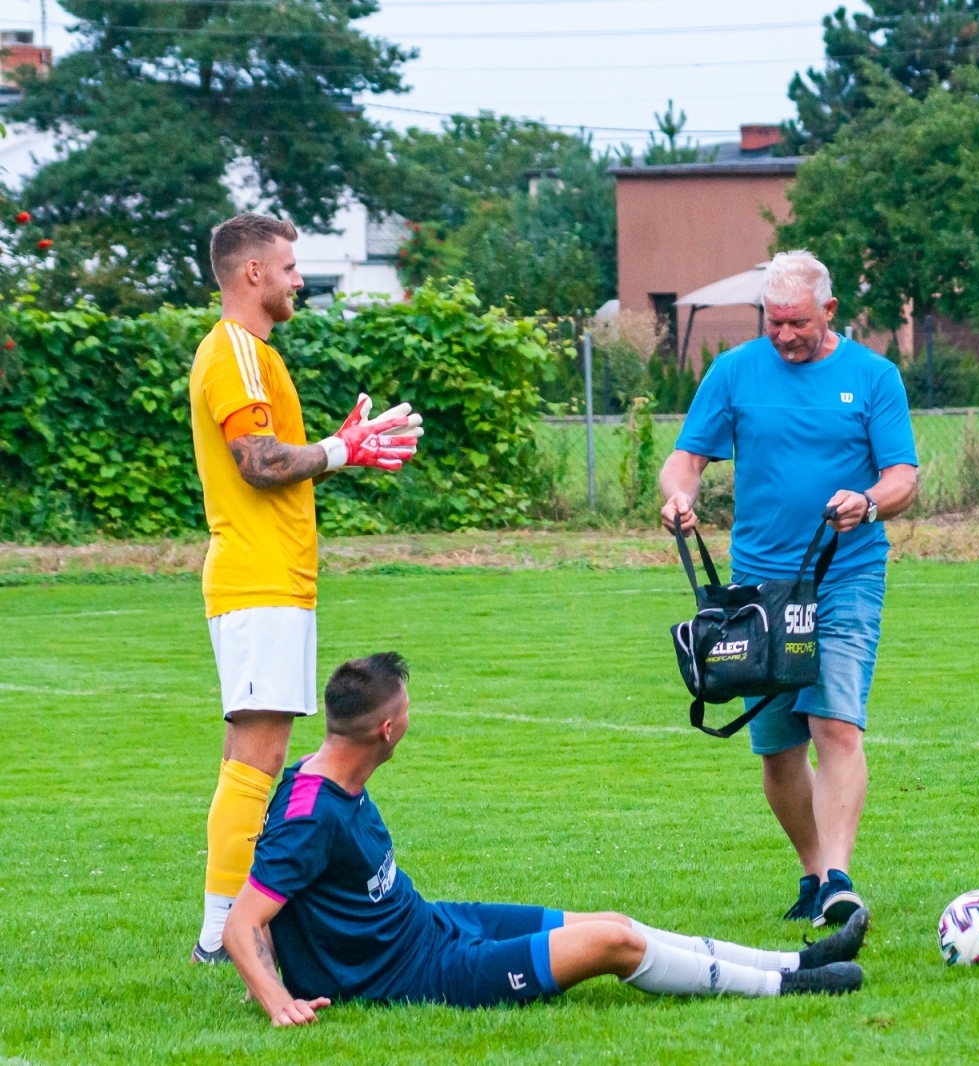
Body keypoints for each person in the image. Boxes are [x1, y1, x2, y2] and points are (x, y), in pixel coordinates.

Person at [223, 653, 867, 1025]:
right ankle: (788, 989)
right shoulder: (312, 814)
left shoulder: (324, 765)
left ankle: (794, 962)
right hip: (420, 974)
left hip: (433, 926)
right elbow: (242, 923)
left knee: (612, 920)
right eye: (409, 712)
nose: (412, 719)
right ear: (387, 731)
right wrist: (280, 1002)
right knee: (613, 943)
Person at [658, 250, 919, 927]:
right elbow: (685, 458)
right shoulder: (734, 372)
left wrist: (866, 500)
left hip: (844, 575)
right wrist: (678, 497)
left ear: (829, 311)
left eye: (796, 322)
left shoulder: (873, 377)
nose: (783, 335)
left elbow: (903, 478)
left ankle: (839, 877)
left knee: (834, 722)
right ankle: (812, 873)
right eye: (772, 322)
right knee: (777, 747)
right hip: (756, 587)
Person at [189, 213, 424, 962]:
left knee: (248, 757)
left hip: (268, 580)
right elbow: (258, 461)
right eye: (289, 267)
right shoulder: (237, 354)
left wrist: (340, 454)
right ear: (252, 273)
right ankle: (225, 933)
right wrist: (338, 447)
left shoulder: (251, 356)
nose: (298, 280)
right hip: (258, 580)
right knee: (257, 760)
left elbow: (274, 458)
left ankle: (227, 924)